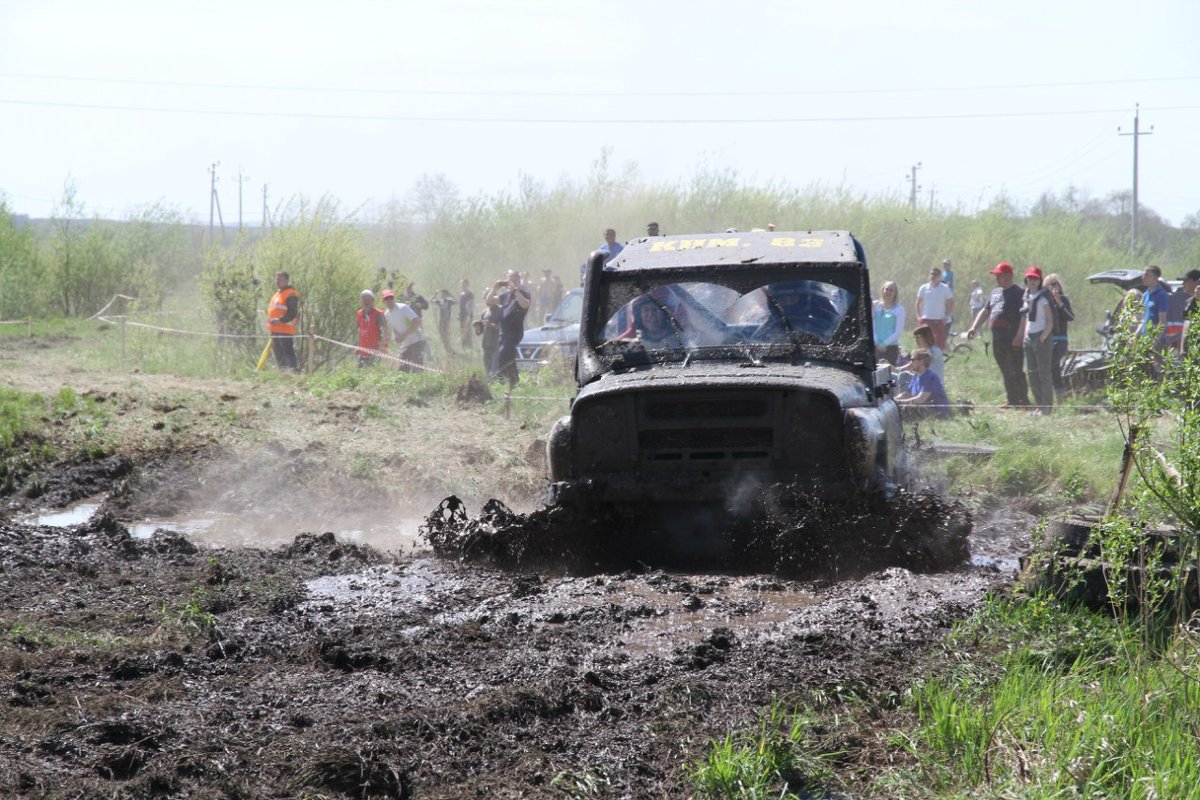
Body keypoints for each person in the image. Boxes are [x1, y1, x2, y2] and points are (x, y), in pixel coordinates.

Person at [966, 262, 1030, 408]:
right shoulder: (995, 293)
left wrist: (1020, 335)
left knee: (1016, 369)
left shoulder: (1020, 292)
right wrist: (974, 327)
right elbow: (986, 311)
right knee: (1005, 369)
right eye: (997, 276)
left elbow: (1025, 315)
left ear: (1008, 276)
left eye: (999, 276)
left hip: (1012, 336)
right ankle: (1012, 399)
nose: (997, 278)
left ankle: (1023, 401)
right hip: (998, 337)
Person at [1018, 266, 1055, 414]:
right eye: (1029, 278)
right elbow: (1026, 318)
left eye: (1034, 278)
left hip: (1041, 337)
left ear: (1039, 280)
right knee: (1031, 373)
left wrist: (1043, 337)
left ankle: (1046, 407)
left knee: (1043, 373)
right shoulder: (1026, 296)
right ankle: (1039, 405)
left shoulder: (1044, 297)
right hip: (1029, 337)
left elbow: (1050, 321)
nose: (1031, 281)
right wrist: (1024, 335)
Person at [485, 270, 531, 387]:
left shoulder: (523, 293)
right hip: (503, 332)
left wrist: (516, 291)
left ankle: (501, 379)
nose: (512, 282)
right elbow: (489, 301)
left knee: (503, 353)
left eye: (515, 280)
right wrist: (495, 287)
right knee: (508, 355)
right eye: (509, 280)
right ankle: (513, 381)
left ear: (519, 280)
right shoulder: (504, 296)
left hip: (515, 331)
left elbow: (525, 304)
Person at [1044, 273, 1075, 399]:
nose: (1053, 288)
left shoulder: (1064, 299)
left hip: (1060, 340)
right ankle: (1049, 397)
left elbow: (1070, 317)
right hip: (1046, 339)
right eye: (1049, 285)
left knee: (1053, 365)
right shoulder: (1044, 302)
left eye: (1055, 284)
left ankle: (1060, 397)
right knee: (1047, 368)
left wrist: (1059, 303)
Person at [896, 348, 950, 418]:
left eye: (912, 360)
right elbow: (907, 394)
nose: (910, 362)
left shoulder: (929, 377)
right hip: (922, 408)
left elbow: (920, 399)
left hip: (935, 411)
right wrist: (894, 399)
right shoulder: (916, 375)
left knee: (905, 408)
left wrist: (900, 402)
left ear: (921, 361)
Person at [382, 289, 425, 371]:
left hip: (417, 340)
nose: (389, 300)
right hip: (406, 344)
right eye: (386, 299)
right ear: (383, 301)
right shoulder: (387, 314)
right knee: (403, 370)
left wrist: (403, 335)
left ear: (394, 298)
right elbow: (394, 327)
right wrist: (397, 336)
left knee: (417, 369)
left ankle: (425, 383)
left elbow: (417, 321)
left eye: (391, 298)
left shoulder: (403, 307)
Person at [266, 271, 299, 371]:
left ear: (287, 281)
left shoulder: (290, 294)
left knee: (288, 353)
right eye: (276, 279)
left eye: (280, 279)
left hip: (285, 330)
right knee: (278, 355)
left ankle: (293, 374)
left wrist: (280, 320)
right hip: (275, 330)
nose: (277, 281)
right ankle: (282, 374)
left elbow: (293, 312)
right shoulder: (277, 294)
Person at [916, 266, 955, 350]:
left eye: (936, 274)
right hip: (926, 319)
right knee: (924, 344)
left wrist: (947, 316)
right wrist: (919, 316)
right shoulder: (924, 288)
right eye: (931, 274)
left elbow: (951, 301)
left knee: (938, 345)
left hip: (939, 320)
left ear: (940, 277)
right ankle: (925, 361)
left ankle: (938, 361)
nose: (933, 276)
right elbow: (918, 303)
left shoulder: (944, 288)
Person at [872, 280, 905, 365]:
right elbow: (872, 325)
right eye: (887, 289)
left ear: (895, 293)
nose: (888, 292)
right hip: (875, 346)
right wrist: (877, 343)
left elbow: (898, 332)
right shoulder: (875, 306)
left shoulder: (899, 309)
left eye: (891, 290)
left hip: (890, 348)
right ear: (882, 290)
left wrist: (883, 344)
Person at [1134, 265, 1170, 342]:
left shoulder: (1161, 295)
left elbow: (1162, 322)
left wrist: (1155, 341)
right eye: (1143, 275)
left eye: (1147, 275)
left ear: (1155, 277)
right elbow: (1143, 319)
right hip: (1145, 339)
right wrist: (1135, 335)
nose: (1143, 277)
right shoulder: (1145, 295)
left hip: (1156, 340)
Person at [355, 289, 387, 367]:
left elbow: (384, 332)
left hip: (375, 350)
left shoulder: (378, 314)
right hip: (363, 350)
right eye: (364, 299)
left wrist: (382, 348)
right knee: (360, 375)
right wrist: (358, 346)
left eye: (368, 299)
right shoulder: (359, 313)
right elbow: (359, 330)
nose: (366, 302)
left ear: (373, 301)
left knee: (373, 375)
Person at [1178, 269, 1200, 354]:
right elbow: (1186, 324)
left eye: (1185, 281)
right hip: (1190, 348)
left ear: (1196, 282)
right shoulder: (1188, 301)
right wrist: (1182, 348)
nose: (1183, 284)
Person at [432, 288, 455, 355]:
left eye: (444, 294)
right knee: (442, 334)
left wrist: (451, 295)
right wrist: (435, 294)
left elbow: (457, 301)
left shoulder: (449, 301)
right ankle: (447, 348)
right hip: (441, 320)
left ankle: (449, 348)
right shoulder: (440, 301)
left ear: (446, 295)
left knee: (446, 334)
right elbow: (430, 301)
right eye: (441, 294)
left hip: (447, 320)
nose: (442, 295)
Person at [458, 278, 475, 351]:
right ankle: (463, 346)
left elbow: (471, 305)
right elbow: (461, 305)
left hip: (468, 315)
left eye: (464, 284)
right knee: (462, 330)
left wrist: (469, 315)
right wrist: (459, 314)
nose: (462, 285)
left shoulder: (470, 294)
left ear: (467, 285)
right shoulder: (461, 294)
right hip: (462, 315)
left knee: (468, 330)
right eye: (461, 284)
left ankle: (469, 346)